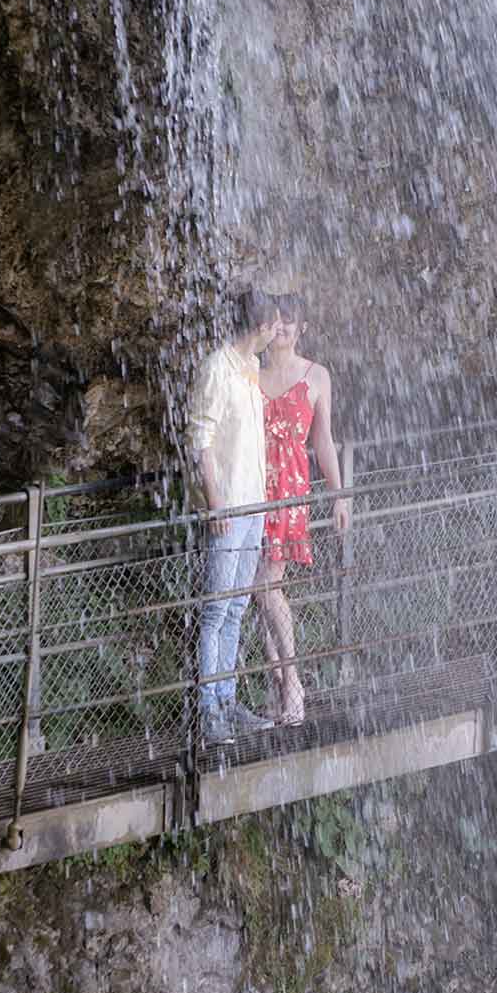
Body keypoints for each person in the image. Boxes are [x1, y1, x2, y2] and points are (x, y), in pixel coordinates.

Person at [185, 287, 285, 744]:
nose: (276, 333)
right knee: (216, 609)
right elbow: (199, 442)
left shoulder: (251, 368)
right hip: (229, 509)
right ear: (262, 327)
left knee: (238, 606)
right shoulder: (216, 369)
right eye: (275, 326)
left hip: (255, 506)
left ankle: (226, 698)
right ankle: (209, 710)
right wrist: (215, 504)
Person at [252, 292, 350, 727]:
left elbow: (323, 441)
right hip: (251, 487)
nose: (284, 329)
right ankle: (280, 689)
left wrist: (339, 494)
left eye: (291, 322)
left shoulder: (317, 376)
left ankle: (292, 682)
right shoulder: (250, 372)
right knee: (256, 593)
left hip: (288, 492)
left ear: (302, 328)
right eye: (278, 322)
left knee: (267, 586)